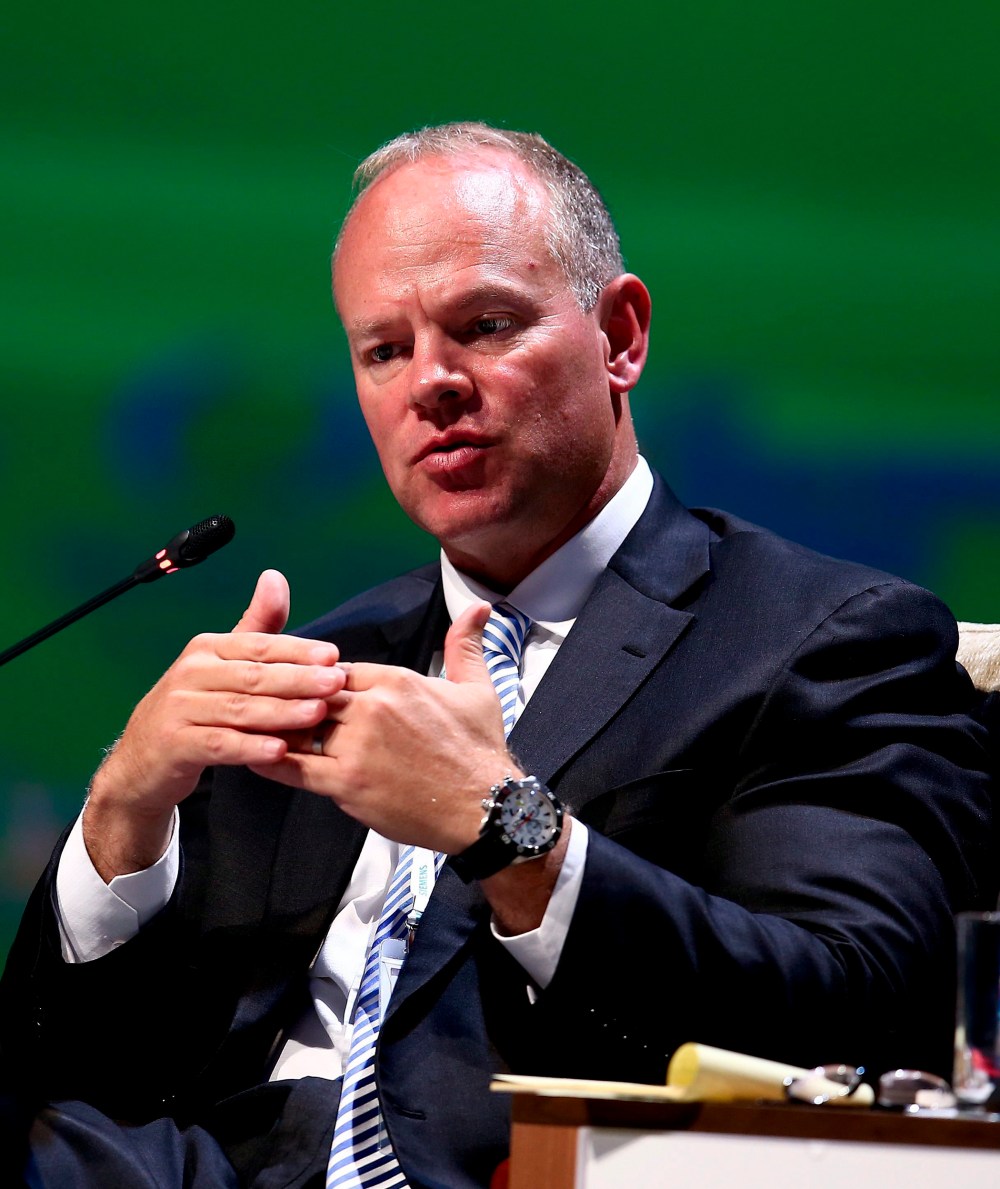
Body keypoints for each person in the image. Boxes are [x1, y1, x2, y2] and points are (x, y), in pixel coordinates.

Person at [0, 122, 994, 1188]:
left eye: (483, 325)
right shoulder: (317, 664)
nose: (430, 382)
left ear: (620, 335)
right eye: (384, 350)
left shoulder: (814, 639)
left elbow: (852, 1014)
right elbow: (78, 1073)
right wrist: (122, 816)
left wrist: (507, 827)